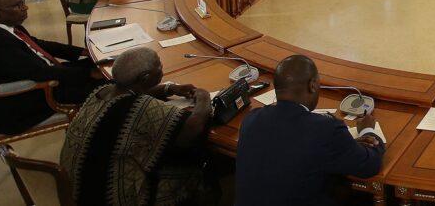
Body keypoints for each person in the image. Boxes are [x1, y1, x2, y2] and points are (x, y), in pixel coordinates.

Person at [61, 47, 213, 206]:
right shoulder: (141, 107)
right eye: (159, 66)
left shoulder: (102, 91)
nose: (162, 68)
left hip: (79, 188)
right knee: (197, 166)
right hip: (113, 198)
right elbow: (192, 130)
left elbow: (134, 94)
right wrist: (204, 97)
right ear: (145, 77)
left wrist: (169, 89)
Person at [236, 55, 384, 206]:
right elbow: (370, 165)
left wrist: (345, 145)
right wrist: (367, 130)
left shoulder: (251, 120)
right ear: (312, 85)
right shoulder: (326, 130)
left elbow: (286, 147)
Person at [0, 0, 106, 133]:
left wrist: (83, 51)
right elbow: (38, 73)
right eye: (18, 5)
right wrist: (89, 73)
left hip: (42, 75)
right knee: (109, 81)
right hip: (25, 99)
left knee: (103, 63)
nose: (25, 7)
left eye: (23, 2)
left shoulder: (3, 25)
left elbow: (38, 44)